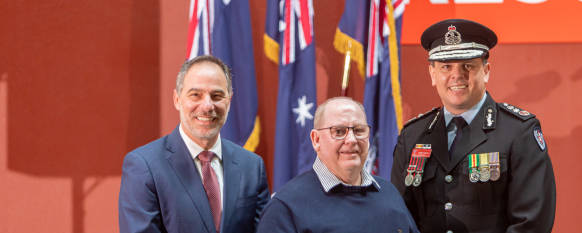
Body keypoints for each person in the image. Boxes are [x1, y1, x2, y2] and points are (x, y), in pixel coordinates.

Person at [391, 19, 556, 233]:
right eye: (446, 67)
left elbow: (532, 223)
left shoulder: (518, 131)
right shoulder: (413, 136)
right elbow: (398, 216)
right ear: (432, 74)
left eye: (467, 65)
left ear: (486, 70)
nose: (456, 76)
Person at [118, 55, 270, 233]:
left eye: (217, 96)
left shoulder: (252, 166)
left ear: (229, 101)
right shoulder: (144, 166)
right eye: (195, 95)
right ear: (177, 99)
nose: (207, 106)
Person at [256, 97, 419, 233]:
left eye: (359, 130)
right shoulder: (286, 208)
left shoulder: (390, 194)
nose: (351, 140)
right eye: (339, 132)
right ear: (316, 140)